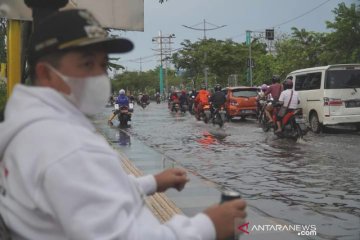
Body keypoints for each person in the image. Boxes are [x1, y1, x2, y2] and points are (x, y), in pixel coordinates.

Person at [0, 9, 246, 240]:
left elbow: (88, 191)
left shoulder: (28, 128)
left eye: (103, 65)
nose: (99, 75)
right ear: (46, 73)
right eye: (87, 64)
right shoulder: (67, 148)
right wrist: (208, 225)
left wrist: (152, 182)